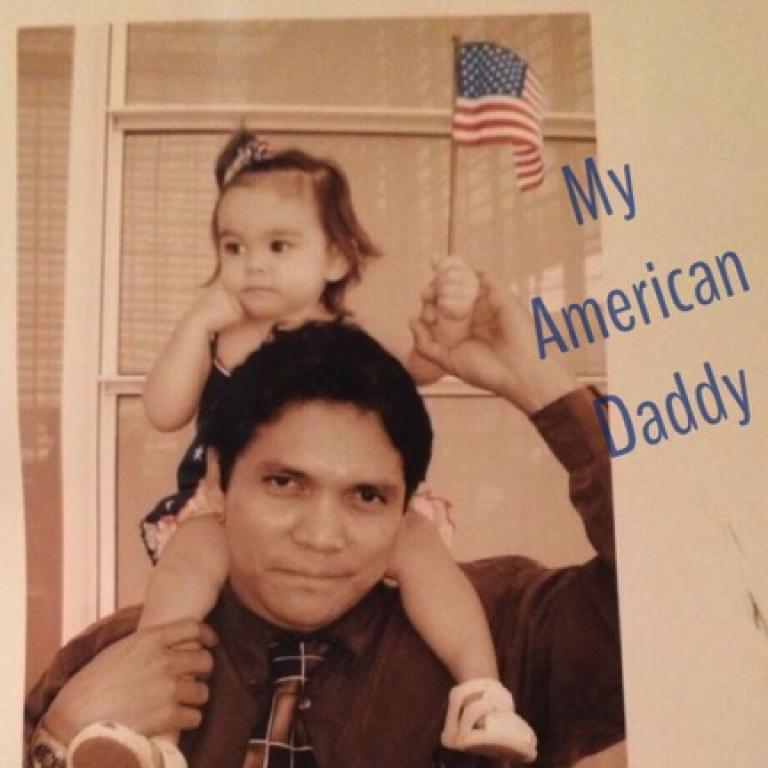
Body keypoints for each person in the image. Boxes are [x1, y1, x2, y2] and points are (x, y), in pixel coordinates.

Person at [24, 275, 624, 768]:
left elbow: (684, 594)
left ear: (405, 505)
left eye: (366, 496)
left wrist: (543, 387)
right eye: (284, 483)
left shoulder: (504, 633)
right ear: (216, 481)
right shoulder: (108, 663)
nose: (320, 536)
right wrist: (60, 735)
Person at [127, 131, 532, 765]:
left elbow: (406, 378)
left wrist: (446, 329)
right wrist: (196, 325)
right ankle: (147, 724)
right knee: (185, 564)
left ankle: (480, 695)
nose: (253, 264)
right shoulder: (220, 336)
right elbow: (163, 410)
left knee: (421, 550)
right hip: (221, 507)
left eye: (279, 246)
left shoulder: (339, 340)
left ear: (336, 259)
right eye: (233, 247)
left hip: (343, 511)